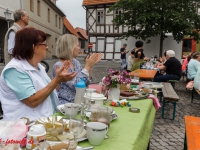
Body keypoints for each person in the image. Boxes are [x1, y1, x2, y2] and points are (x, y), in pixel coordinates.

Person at [0, 27, 77, 121]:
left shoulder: (38, 66)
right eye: (44, 44)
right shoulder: (14, 70)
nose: (47, 47)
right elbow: (32, 101)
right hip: (25, 127)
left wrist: (59, 80)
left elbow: (50, 90)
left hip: (44, 121)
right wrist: (57, 79)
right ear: (33, 47)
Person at [52, 34, 102, 104]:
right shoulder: (59, 66)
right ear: (70, 47)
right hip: (66, 105)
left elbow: (85, 82)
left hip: (79, 103)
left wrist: (90, 66)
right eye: (77, 45)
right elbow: (77, 85)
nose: (79, 48)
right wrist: (87, 66)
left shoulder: (75, 62)